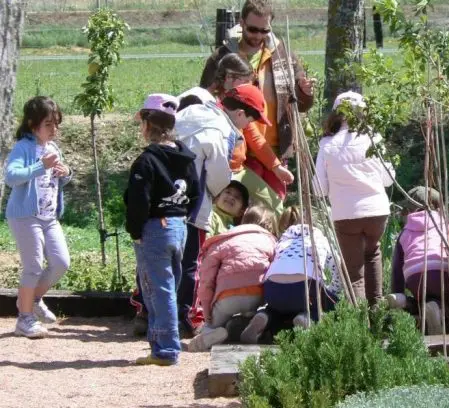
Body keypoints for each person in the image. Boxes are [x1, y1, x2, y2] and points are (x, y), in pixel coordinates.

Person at [130, 86, 241, 338]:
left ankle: (145, 313)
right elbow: (218, 176)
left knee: (150, 264)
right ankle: (185, 317)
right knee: (189, 264)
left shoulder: (169, 130)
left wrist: (135, 226)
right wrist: (202, 201)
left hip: (155, 215)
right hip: (191, 211)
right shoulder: (214, 129)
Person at [200, 0, 315, 199]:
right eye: (253, 29)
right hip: (236, 149)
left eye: (265, 30)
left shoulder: (283, 55)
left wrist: (305, 93)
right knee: (241, 211)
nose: (258, 35)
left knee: (273, 209)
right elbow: (205, 99)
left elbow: (301, 105)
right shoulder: (221, 57)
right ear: (241, 22)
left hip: (276, 148)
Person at [124, 93, 200, 365]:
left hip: (154, 228)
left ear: (147, 124)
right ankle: (161, 344)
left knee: (158, 289)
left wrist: (135, 229)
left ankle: (166, 349)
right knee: (171, 286)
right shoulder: (185, 157)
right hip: (179, 226)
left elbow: (138, 200)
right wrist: (182, 214)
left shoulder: (146, 161)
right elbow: (195, 192)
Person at [314, 91, 395, 307]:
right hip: (377, 210)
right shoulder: (374, 139)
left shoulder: (327, 145)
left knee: (354, 271)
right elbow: (388, 179)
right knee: (373, 253)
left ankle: (360, 325)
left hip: (346, 213)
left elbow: (319, 188)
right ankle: (376, 311)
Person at [5, 96, 71, 338]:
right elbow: (11, 177)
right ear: (33, 125)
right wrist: (39, 166)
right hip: (25, 216)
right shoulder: (23, 147)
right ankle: (24, 319)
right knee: (32, 266)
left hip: (49, 217)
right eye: (48, 124)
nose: (54, 129)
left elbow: (57, 178)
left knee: (61, 262)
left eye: (56, 124)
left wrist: (65, 173)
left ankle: (33, 299)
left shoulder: (52, 148)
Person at [240, 206, 343, 343]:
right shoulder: (319, 238)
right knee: (329, 304)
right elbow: (337, 267)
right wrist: (333, 290)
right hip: (304, 287)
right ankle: (308, 318)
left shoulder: (283, 240)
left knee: (276, 308)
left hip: (273, 288)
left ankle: (265, 316)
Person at [189, 205, 277, 352]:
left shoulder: (224, 240)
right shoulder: (271, 241)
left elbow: (206, 278)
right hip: (258, 295)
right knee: (257, 312)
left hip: (228, 297)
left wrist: (206, 310)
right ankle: (252, 321)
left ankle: (211, 333)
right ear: (269, 225)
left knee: (212, 324)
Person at [213, 53, 292, 215]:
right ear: (229, 77)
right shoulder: (212, 107)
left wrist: (277, 168)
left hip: (239, 169)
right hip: (218, 172)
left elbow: (256, 138)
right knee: (223, 212)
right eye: (246, 82)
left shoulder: (240, 103)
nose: (250, 85)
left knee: (274, 207)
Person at [386, 186, 449, 335]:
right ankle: (439, 308)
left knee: (424, 298)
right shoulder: (444, 225)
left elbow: (397, 269)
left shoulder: (405, 232)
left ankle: (404, 301)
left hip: (415, 276)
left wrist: (398, 291)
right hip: (440, 270)